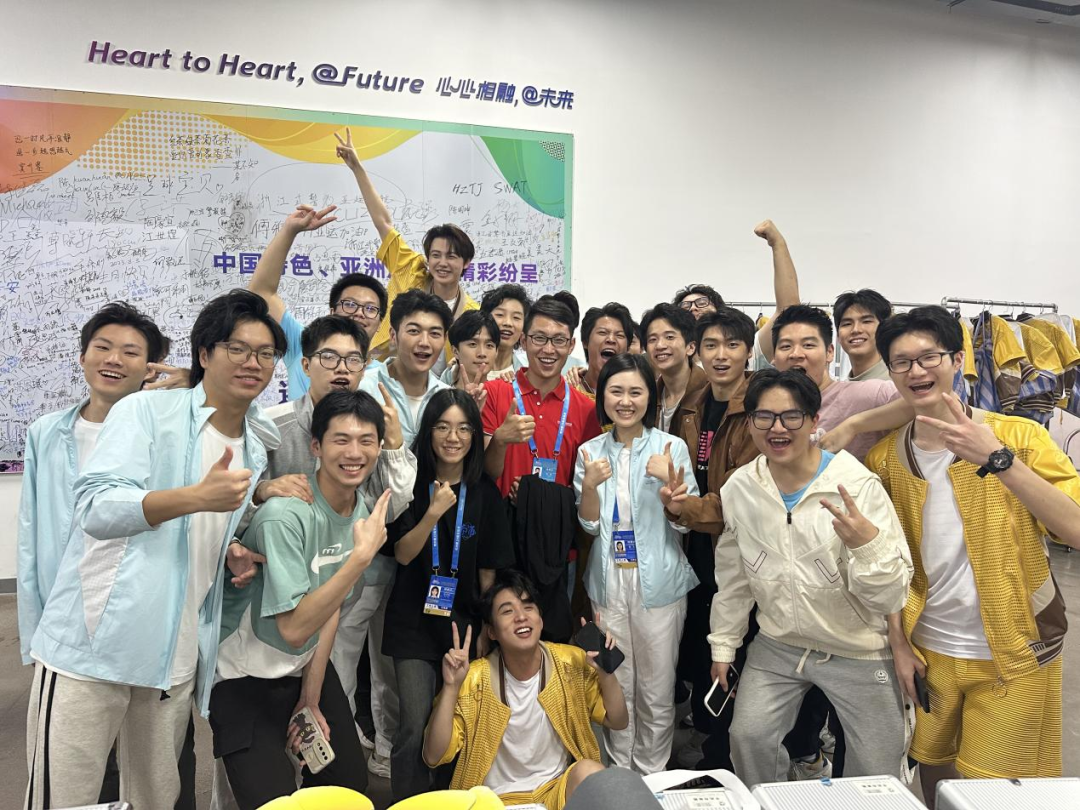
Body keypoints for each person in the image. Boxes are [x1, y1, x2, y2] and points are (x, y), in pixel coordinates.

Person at [25, 290, 283, 810]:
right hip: (94, 647)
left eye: (265, 353)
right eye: (237, 348)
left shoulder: (255, 444)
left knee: (156, 799)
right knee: (64, 798)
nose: (252, 363)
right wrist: (195, 497)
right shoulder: (145, 411)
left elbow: (201, 530)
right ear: (204, 353)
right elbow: (97, 507)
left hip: (173, 657)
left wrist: (229, 546)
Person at [865, 306, 1080, 807]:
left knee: (995, 792)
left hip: (1016, 649)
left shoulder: (1020, 437)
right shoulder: (886, 459)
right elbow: (889, 564)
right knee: (934, 770)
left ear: (958, 360)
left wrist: (998, 460)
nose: (917, 371)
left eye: (929, 357)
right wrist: (898, 642)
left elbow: (1074, 527)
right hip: (929, 649)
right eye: (902, 362)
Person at [708, 369, 913, 788]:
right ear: (750, 423)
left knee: (877, 764)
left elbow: (891, 595)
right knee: (748, 736)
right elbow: (734, 579)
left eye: (791, 416)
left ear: (815, 420)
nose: (777, 428)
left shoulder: (856, 487)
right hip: (779, 642)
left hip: (857, 646)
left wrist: (868, 547)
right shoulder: (740, 488)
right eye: (764, 417)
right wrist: (724, 645)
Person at [210, 392, 393, 809]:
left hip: (302, 670)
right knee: (272, 802)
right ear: (315, 446)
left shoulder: (360, 513)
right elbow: (293, 629)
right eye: (340, 439)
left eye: (366, 440)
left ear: (380, 447)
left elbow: (330, 611)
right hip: (244, 676)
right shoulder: (285, 516)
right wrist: (359, 558)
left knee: (348, 785)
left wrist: (310, 700)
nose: (354, 453)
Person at [253, 314, 416, 780]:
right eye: (329, 357)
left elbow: (392, 503)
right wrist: (262, 492)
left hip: (336, 585)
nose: (342, 368)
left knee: (327, 710)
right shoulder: (272, 427)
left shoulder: (371, 425)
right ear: (305, 364)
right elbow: (233, 502)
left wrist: (393, 442)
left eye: (353, 359)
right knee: (258, 762)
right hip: (265, 602)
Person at [18, 302, 170, 667]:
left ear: (150, 368)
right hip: (61, 608)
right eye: (102, 347)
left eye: (130, 352)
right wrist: (33, 635)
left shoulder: (166, 433)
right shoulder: (46, 432)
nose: (113, 359)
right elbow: (30, 536)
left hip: (134, 608)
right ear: (83, 356)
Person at [381, 389, 515, 800]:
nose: (453, 437)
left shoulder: (484, 492)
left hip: (463, 626)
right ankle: (408, 804)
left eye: (463, 428)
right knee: (413, 723)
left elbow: (489, 569)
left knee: (459, 720)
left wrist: (487, 627)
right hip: (413, 623)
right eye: (442, 427)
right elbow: (403, 554)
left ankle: (451, 801)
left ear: (475, 435)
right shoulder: (410, 485)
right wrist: (434, 512)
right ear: (428, 432)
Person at [574, 353, 698, 774]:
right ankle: (619, 774)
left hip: (659, 583)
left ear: (649, 396)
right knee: (616, 679)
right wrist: (590, 487)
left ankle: (651, 774)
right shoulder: (590, 451)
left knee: (657, 688)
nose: (625, 401)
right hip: (608, 583)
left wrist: (670, 491)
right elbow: (589, 525)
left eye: (635, 392)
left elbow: (684, 523)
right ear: (602, 396)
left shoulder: (670, 447)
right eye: (616, 391)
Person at [421, 571, 628, 809]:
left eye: (528, 607)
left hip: (553, 795)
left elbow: (618, 720)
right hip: (494, 801)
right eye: (507, 611)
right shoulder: (474, 679)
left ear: (540, 618)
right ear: (491, 632)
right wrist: (451, 687)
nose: (521, 617)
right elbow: (433, 756)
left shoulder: (570, 663)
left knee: (590, 773)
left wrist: (605, 672)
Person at [657, 307, 760, 770]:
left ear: (749, 351)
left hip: (736, 550)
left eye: (732, 345)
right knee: (702, 651)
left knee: (734, 651)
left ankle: (726, 760)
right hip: (696, 547)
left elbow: (738, 497)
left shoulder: (756, 408)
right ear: (697, 351)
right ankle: (708, 744)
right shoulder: (693, 406)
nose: (721, 355)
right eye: (712, 345)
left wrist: (683, 507)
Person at [336, 127, 478, 374]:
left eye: (451, 256)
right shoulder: (410, 269)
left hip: (435, 389)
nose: (442, 263)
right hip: (381, 373)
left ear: (466, 262)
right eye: (436, 255)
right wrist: (357, 168)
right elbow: (384, 223)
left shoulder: (472, 312)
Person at [247, 206, 389, 399]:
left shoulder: (386, 376)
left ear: (380, 321)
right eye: (349, 304)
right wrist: (289, 231)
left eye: (370, 308)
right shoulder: (305, 344)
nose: (359, 313)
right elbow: (261, 292)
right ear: (332, 311)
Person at [482, 296, 602, 497]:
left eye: (559, 340)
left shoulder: (587, 409)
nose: (548, 349)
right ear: (523, 341)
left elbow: (586, 487)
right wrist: (499, 441)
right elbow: (485, 475)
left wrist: (540, 496)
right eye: (539, 338)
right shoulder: (494, 393)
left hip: (557, 516)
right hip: (499, 514)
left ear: (571, 345)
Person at [771, 304, 899, 462]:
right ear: (774, 358)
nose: (796, 354)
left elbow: (919, 404)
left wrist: (853, 425)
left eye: (808, 345)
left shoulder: (865, 394)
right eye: (786, 346)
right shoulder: (767, 405)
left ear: (829, 352)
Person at [359, 289, 453, 444]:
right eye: (414, 331)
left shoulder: (448, 398)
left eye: (435, 333)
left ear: (445, 339)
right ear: (393, 335)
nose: (424, 342)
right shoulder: (363, 389)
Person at [640, 303, 705, 432]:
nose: (660, 345)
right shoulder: (648, 396)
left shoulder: (709, 394)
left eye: (669, 337)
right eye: (652, 339)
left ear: (691, 347)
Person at [571, 303, 634, 399]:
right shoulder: (569, 392)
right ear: (585, 342)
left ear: (628, 348)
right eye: (602, 332)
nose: (611, 339)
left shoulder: (635, 395)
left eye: (619, 335)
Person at [834, 289, 893, 381]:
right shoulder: (842, 386)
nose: (856, 330)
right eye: (847, 324)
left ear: (884, 329)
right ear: (838, 336)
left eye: (866, 321)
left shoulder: (898, 382)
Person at [441, 309, 500, 390]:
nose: (482, 353)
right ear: (455, 351)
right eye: (473, 344)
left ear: (496, 352)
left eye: (489, 345)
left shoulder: (504, 393)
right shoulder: (440, 394)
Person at [480, 283, 531, 376]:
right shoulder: (462, 369)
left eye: (516, 317)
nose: (508, 323)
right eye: (500, 315)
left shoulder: (528, 373)